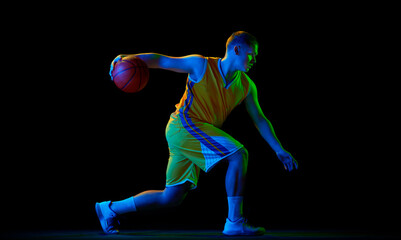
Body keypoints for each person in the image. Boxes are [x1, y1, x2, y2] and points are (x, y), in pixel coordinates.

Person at [96, 31, 298, 236]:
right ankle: (234, 222)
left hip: (188, 134)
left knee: (171, 197)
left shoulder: (246, 86)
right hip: (184, 125)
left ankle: (109, 209)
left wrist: (278, 149)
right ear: (236, 49)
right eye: (251, 54)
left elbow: (260, 119)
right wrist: (127, 58)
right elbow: (162, 61)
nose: (254, 59)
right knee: (239, 155)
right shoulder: (201, 65)